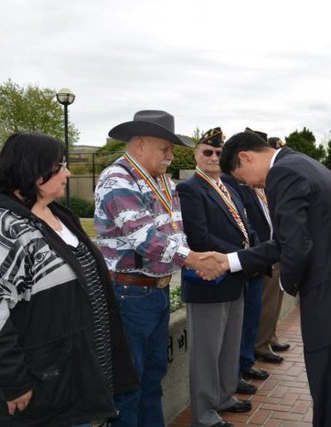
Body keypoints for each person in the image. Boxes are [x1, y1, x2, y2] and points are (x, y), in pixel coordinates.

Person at [217, 130, 331, 427]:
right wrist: (231, 261)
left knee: (330, 392)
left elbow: (295, 245)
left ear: (245, 157)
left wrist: (285, 283)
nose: (251, 184)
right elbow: (292, 239)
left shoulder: (282, 173)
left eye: (243, 177)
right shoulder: (303, 163)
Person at [0, 132, 137, 426]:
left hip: (75, 377)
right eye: (60, 165)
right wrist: (13, 381)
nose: (68, 173)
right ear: (35, 171)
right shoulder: (0, 225)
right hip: (41, 389)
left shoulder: (57, 214)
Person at [94, 110, 224, 426]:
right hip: (130, 295)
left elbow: (175, 234)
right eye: (164, 148)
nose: (170, 155)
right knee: (130, 384)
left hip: (157, 292)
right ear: (139, 145)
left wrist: (195, 259)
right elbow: (144, 239)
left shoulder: (163, 181)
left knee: (153, 378)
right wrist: (196, 261)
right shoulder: (117, 180)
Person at [176, 127, 256, 427]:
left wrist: (253, 251)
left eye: (219, 153)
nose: (213, 157)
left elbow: (245, 226)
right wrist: (241, 255)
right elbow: (198, 236)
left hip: (235, 277)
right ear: (196, 154)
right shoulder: (190, 189)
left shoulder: (230, 188)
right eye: (207, 152)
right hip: (209, 281)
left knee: (229, 346)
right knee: (207, 352)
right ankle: (204, 412)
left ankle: (224, 396)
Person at [254, 136, 290, 364]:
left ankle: (271, 336)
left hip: (277, 250)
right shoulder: (248, 184)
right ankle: (261, 344)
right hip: (263, 252)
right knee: (266, 302)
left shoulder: (268, 183)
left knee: (276, 299)